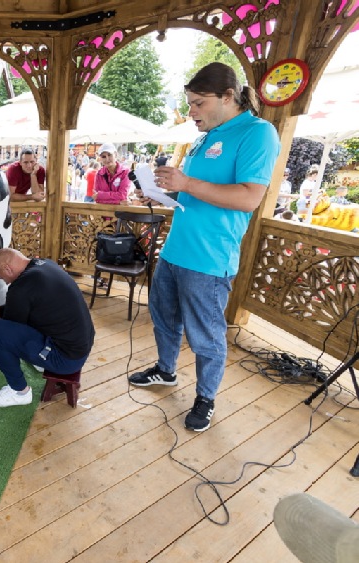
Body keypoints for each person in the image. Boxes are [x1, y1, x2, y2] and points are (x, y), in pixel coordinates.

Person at [128, 62, 280, 432]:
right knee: (164, 319)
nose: (191, 113)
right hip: (175, 250)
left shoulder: (258, 133)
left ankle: (206, 398)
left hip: (210, 260)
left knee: (206, 336)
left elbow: (248, 198)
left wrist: (188, 183)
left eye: (198, 104)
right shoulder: (204, 135)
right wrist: (161, 192)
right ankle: (165, 371)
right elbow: (193, 191)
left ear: (228, 97)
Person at [0, 248, 95, 407]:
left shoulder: (21, 287)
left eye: (3, 278)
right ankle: (39, 358)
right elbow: (13, 310)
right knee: (8, 327)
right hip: (79, 347)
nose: (6, 282)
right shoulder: (44, 266)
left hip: (65, 360)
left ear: (8, 269)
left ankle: (19, 392)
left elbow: (6, 329)